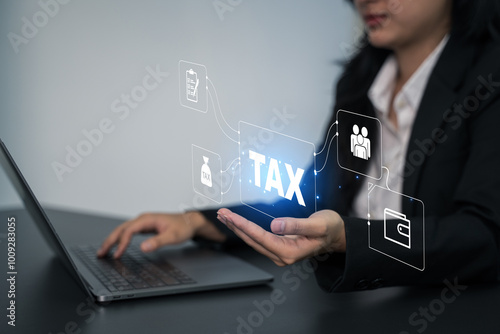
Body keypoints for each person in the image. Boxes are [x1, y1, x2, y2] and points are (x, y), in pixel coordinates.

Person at [98, 0, 500, 292]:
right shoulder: (360, 80)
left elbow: (483, 235)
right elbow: (313, 202)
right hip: (354, 302)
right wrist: (199, 223)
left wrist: (348, 239)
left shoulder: (488, 77)